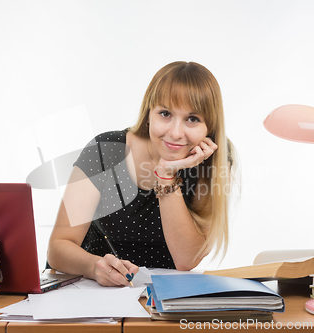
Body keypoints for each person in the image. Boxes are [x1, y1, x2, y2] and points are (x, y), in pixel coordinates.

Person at [47, 61, 237, 287]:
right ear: (149, 114)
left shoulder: (213, 160)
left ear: (210, 127)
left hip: (161, 296)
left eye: (192, 119)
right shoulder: (106, 149)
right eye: (165, 113)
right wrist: (93, 266)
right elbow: (58, 247)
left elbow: (186, 260)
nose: (175, 133)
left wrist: (167, 175)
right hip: (91, 288)